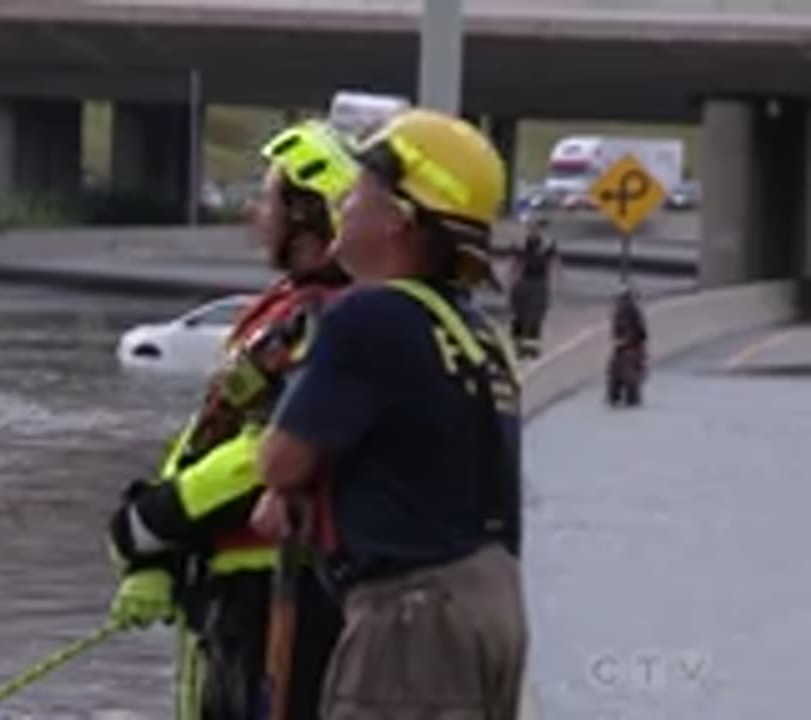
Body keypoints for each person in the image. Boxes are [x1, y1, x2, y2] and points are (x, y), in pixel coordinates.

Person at [251, 108, 528, 720]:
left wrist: (289, 480)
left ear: (398, 220)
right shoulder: (472, 333)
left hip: (411, 617)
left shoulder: (368, 317)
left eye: (359, 194)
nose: (343, 207)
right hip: (494, 607)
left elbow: (280, 458)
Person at [106, 119, 355, 719]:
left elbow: (271, 448)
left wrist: (164, 515)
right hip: (231, 589)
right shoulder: (284, 310)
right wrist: (158, 545)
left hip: (280, 589)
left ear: (303, 213)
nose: (255, 211)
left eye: (267, 196)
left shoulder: (332, 320)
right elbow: (210, 428)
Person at [509, 215, 560, 359]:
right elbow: (515, 263)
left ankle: (532, 348)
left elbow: (554, 262)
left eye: (536, 228)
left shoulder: (546, 246)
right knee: (520, 316)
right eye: (531, 228)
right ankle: (519, 347)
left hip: (539, 283)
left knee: (536, 317)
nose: (534, 231)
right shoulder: (521, 244)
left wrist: (558, 280)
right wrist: (512, 282)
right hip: (523, 282)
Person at [607, 283, 648, 407]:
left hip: (633, 348)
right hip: (624, 348)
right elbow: (616, 333)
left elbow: (641, 333)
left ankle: (628, 393)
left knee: (626, 370)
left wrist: (629, 340)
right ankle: (618, 393)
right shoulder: (620, 314)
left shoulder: (632, 313)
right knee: (615, 368)